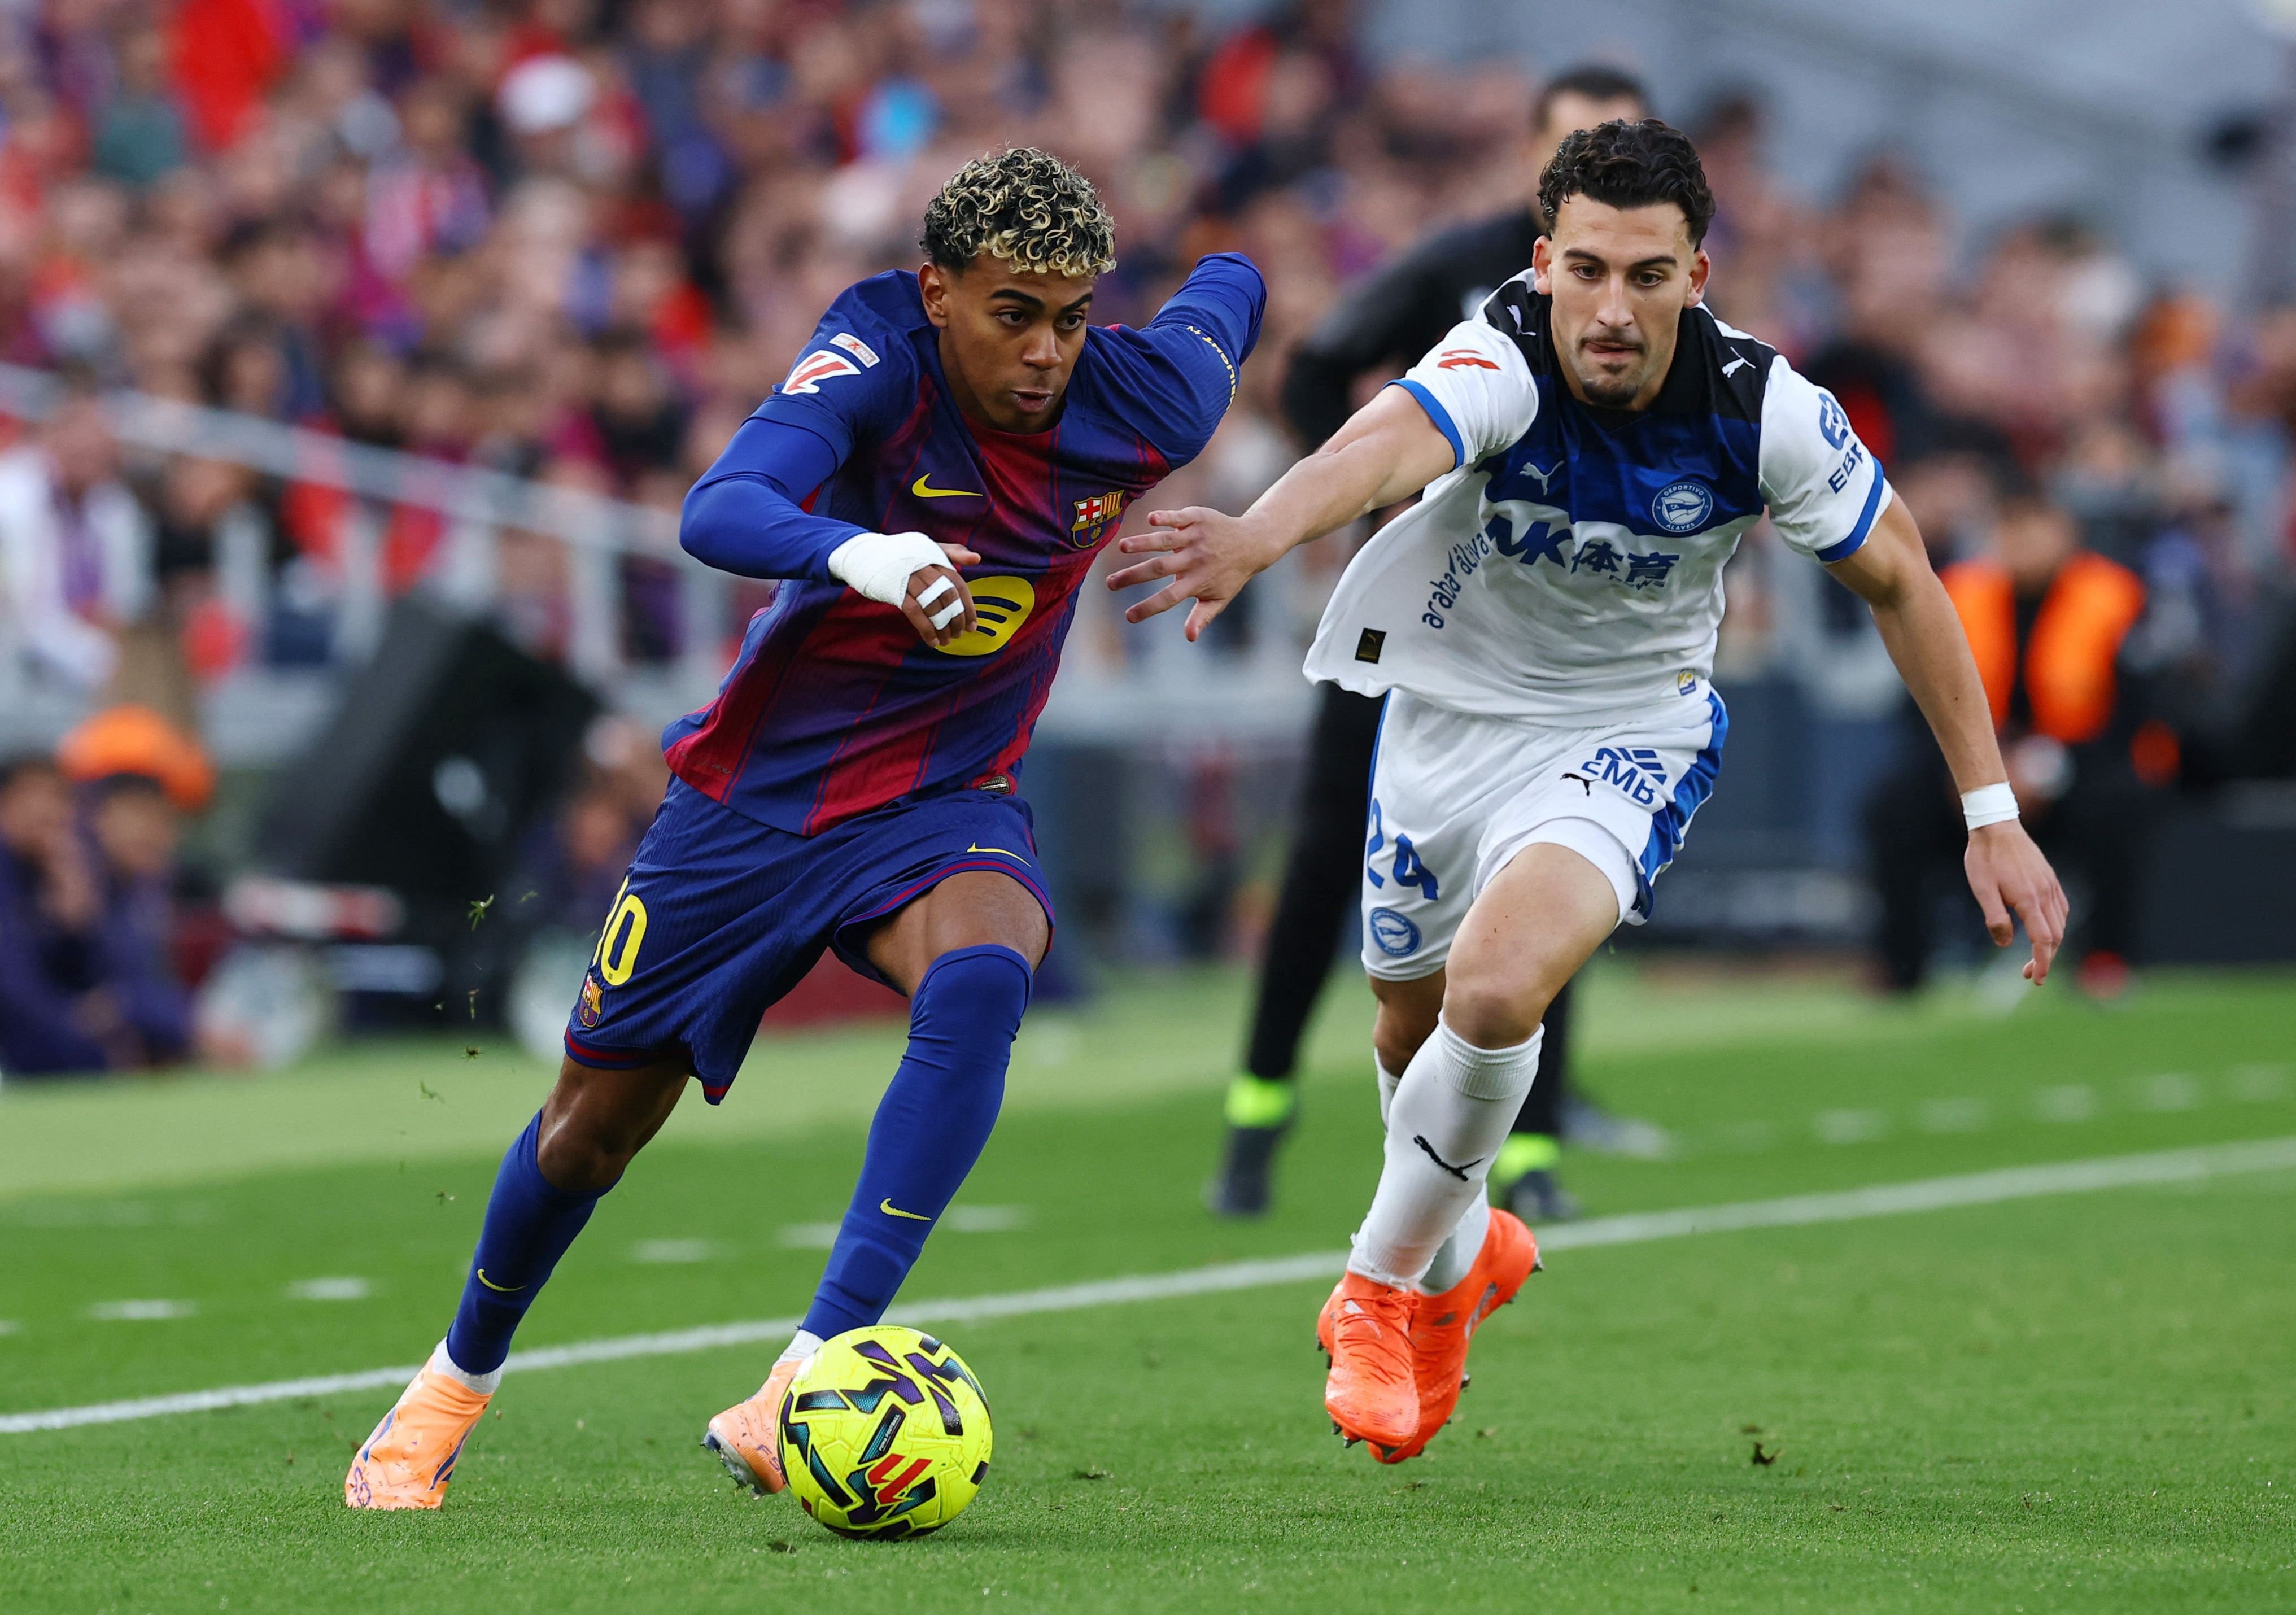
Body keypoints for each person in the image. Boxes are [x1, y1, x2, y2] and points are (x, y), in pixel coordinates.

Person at [1110, 120, 2064, 1463]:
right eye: (1588, 272)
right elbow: (1379, 446)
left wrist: (1987, 814)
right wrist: (1254, 537)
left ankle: (1376, 1292)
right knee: (1403, 1031)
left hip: (1624, 729)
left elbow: (1902, 577)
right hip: (1442, 725)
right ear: (1544, 260)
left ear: (1696, 273)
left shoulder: (1761, 407)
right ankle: (1455, 1268)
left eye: (1648, 276)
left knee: (1493, 992)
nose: (1611, 310)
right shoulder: (1497, 350)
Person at [345, 147, 1265, 1511]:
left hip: (943, 795)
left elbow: (1228, 290)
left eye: (1072, 316)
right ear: (936, 290)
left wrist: (1221, 262)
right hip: (753, 805)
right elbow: (717, 508)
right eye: (1012, 311)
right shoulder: (873, 348)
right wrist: (867, 553)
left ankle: (808, 1368)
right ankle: (447, 1385)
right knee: (589, 1131)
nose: (1046, 351)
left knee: (985, 965)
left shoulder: (1144, 399)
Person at [1211, 65, 1652, 1225]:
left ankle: (1529, 1149)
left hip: (1540, 640)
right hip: (1414, 622)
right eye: (1575, 147)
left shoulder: (1634, 302)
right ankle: (1256, 1113)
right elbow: (1312, 368)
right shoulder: (1463, 275)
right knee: (1322, 858)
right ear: (1529, 162)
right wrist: (1376, 505)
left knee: (1549, 869)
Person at [1865, 482, 2160, 996]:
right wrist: (1971, 771)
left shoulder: (2113, 597)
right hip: (1973, 770)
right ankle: (1901, 965)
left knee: (2119, 805)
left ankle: (2107, 957)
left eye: (2036, 526)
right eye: (2011, 527)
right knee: (1893, 806)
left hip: (2077, 772)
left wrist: (2048, 766)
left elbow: (2134, 712)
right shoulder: (1959, 592)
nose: (2023, 541)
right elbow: (1916, 703)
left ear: (2066, 533)